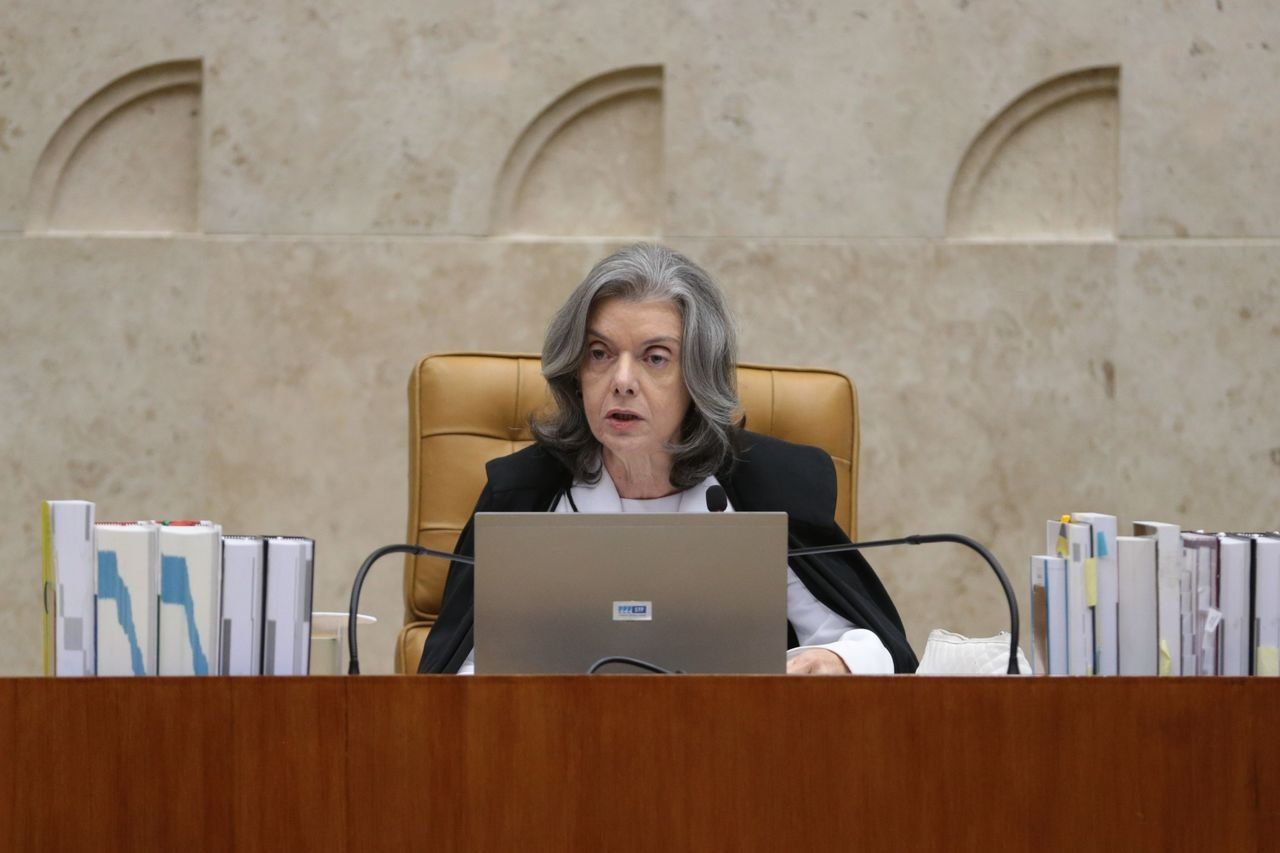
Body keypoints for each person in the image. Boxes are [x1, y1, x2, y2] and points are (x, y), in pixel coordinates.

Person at [418, 244, 917, 675]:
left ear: (696, 377)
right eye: (599, 353)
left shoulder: (765, 489)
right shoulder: (524, 493)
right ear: (575, 371)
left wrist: (837, 660)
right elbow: (460, 672)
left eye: (655, 357)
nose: (622, 379)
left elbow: (874, 647)